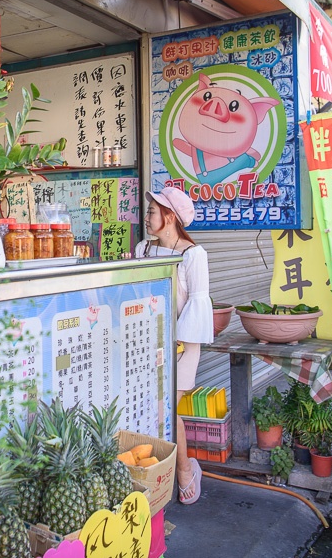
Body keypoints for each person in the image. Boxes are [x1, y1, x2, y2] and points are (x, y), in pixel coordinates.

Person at [135, 187, 212, 505]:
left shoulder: (193, 255)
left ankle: (184, 471)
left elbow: (197, 304)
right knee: (147, 408)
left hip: (181, 344)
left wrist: (176, 343)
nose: (148, 215)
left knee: (168, 408)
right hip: (147, 341)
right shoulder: (142, 249)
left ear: (170, 217)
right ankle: (150, 472)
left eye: (153, 210)